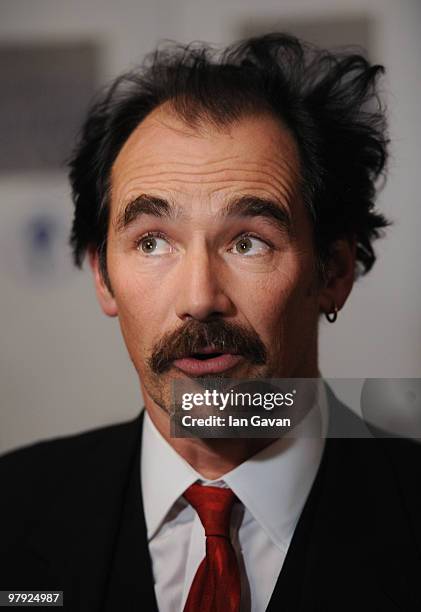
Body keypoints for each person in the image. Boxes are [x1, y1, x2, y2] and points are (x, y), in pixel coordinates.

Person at [1, 33, 420, 612]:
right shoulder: (13, 509)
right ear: (103, 277)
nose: (199, 298)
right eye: (151, 242)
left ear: (334, 270)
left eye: (248, 243)